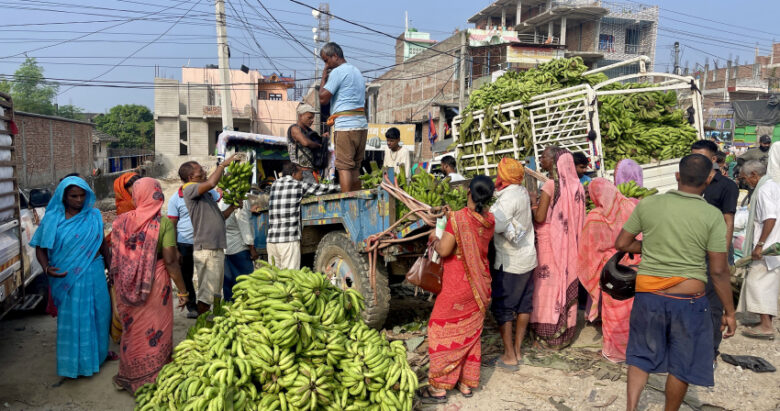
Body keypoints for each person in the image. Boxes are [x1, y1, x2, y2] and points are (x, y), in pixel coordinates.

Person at [615, 154, 736, 411]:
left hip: (648, 296)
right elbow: (718, 271)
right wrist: (730, 311)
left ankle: (631, 408)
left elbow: (622, 244)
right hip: (688, 301)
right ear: (709, 179)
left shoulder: (649, 204)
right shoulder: (712, 216)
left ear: (677, 176)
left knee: (640, 355)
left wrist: (651, 246)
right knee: (683, 362)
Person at [110, 178, 189, 393]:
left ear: (136, 195)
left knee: (132, 331)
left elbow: (115, 258)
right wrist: (183, 291)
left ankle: (128, 377)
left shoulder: (120, 222)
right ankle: (154, 379)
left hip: (125, 286)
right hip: (155, 285)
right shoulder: (163, 224)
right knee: (156, 329)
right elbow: (171, 261)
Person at [421, 176, 495, 403]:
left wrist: (434, 237)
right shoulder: (490, 220)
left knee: (439, 329)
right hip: (480, 286)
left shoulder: (458, 218)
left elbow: (444, 250)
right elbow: (471, 225)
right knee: (471, 335)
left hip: (457, 286)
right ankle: (466, 384)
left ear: (469, 193)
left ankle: (439, 388)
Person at [30, 176, 111, 379]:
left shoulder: (93, 216)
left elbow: (102, 245)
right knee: (74, 321)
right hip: (66, 277)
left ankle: (98, 357)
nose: (79, 200)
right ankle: (73, 365)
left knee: (99, 315)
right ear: (64, 196)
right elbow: (40, 247)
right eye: (73, 196)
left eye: (83, 195)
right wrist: (46, 268)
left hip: (94, 271)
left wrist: (112, 270)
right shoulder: (52, 218)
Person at [576, 178, 640, 362]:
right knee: (633, 309)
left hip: (612, 271)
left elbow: (589, 249)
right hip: (635, 265)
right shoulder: (631, 206)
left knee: (614, 312)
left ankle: (616, 352)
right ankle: (635, 348)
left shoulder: (595, 216)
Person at [529, 147, 585, 348]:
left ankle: (546, 334)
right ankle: (565, 333)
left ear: (554, 162)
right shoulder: (576, 185)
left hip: (548, 244)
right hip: (569, 246)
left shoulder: (550, 186)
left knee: (545, 289)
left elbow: (541, 217)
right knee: (561, 284)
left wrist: (534, 203)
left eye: (543, 156)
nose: (540, 159)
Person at [691, 139, 739, 360]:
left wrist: (723, 252)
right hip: (692, 253)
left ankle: (709, 351)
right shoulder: (691, 182)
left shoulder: (727, 186)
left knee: (713, 302)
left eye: (700, 157)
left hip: (714, 252)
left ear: (713, 160)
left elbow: (728, 220)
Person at [489, 158, 537, 370]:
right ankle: (517, 349)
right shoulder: (522, 191)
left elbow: (496, 224)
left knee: (504, 308)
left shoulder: (508, 197)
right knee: (523, 306)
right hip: (528, 258)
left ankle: (509, 356)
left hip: (511, 262)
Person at [179, 156, 239, 314]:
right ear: (191, 177)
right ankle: (202, 327)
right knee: (207, 295)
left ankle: (212, 322)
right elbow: (212, 182)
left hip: (216, 247)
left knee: (215, 292)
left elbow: (221, 217)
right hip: (207, 248)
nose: (204, 172)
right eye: (200, 171)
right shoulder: (189, 188)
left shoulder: (205, 195)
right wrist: (222, 165)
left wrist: (233, 207)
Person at [167, 172, 221, 318]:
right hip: (185, 242)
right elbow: (172, 224)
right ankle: (192, 307)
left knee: (206, 275)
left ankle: (205, 305)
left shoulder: (207, 192)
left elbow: (218, 198)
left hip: (204, 241)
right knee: (186, 275)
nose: (203, 175)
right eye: (199, 173)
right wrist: (175, 248)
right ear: (190, 177)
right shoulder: (175, 199)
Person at [267, 162, 340, 269]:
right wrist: (341, 187)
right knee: (290, 277)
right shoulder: (296, 185)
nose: (302, 176)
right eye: (301, 173)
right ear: (293, 174)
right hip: (288, 240)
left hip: (272, 240)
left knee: (275, 277)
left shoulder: (275, 185)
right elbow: (321, 189)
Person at [738, 157, 780, 340]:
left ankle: (765, 326)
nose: (745, 182)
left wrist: (760, 244)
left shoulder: (763, 190)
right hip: (774, 246)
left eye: (745, 178)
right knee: (768, 285)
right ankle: (766, 321)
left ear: (754, 175)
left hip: (767, 247)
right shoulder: (774, 186)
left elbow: (770, 218)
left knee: (758, 285)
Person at [319, 42, 368, 193]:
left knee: (343, 167)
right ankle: (356, 202)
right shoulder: (357, 72)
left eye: (326, 60)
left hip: (345, 126)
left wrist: (323, 77)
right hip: (361, 125)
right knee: (355, 167)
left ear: (335, 56)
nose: (326, 65)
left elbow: (322, 98)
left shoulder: (338, 72)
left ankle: (347, 203)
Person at [108, 172, 140, 343]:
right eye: (131, 187)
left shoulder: (132, 205)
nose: (135, 191)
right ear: (123, 189)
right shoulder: (128, 207)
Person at [220, 197, 258, 302]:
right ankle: (244, 307)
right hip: (239, 248)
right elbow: (244, 225)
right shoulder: (240, 201)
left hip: (226, 248)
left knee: (229, 283)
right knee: (244, 282)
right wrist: (252, 248)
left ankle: (229, 307)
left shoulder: (222, 201)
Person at [288, 103, 325, 184]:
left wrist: (323, 137)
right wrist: (319, 145)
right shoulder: (294, 128)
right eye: (309, 117)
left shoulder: (308, 131)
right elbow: (305, 142)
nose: (312, 120)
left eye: (313, 118)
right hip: (300, 172)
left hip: (310, 171)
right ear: (300, 116)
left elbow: (314, 140)